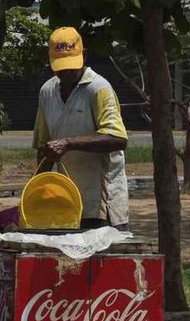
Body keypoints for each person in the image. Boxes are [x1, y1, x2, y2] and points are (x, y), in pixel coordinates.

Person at [33, 27, 130, 230]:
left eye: (71, 66)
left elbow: (118, 138)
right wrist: (36, 192)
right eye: (60, 67)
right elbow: (44, 149)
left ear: (84, 56)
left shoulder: (99, 88)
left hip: (103, 204)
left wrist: (69, 143)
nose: (66, 72)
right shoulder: (47, 92)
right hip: (66, 204)